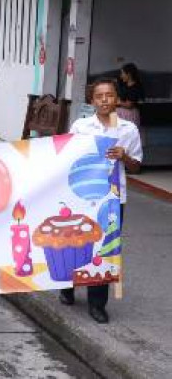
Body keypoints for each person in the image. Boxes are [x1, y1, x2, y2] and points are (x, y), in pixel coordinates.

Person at [63, 77, 142, 324]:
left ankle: (97, 304)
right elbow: (65, 157)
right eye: (99, 96)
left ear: (117, 99)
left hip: (112, 199)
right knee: (76, 242)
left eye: (109, 95)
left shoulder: (128, 130)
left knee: (105, 249)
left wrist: (124, 156)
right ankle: (67, 286)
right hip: (81, 195)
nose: (105, 100)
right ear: (92, 100)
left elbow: (137, 166)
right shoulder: (81, 126)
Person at [116, 63, 144, 127]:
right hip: (119, 112)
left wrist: (118, 102)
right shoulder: (124, 84)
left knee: (125, 133)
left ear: (129, 74)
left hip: (128, 115)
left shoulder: (135, 88)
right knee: (113, 129)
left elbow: (129, 105)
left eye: (122, 73)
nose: (121, 76)